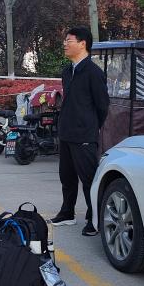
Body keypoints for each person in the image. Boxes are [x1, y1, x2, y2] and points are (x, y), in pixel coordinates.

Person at [51, 26, 110, 237]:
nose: (65, 44)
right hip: (66, 132)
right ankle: (67, 213)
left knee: (89, 179)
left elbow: (103, 106)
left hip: (84, 135)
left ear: (83, 43)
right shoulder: (67, 72)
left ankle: (94, 219)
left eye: (69, 40)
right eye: (65, 40)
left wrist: (90, 126)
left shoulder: (94, 73)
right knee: (66, 177)